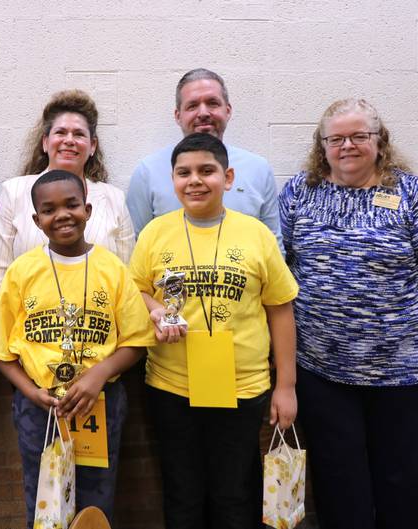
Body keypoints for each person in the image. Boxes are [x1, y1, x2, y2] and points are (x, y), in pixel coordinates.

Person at [278, 98, 418, 529]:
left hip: (410, 376)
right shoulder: (299, 193)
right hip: (324, 373)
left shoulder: (416, 196)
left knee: (409, 489)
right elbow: (278, 271)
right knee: (339, 491)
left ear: (380, 141)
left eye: (359, 136)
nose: (347, 145)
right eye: (336, 138)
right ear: (322, 145)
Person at [129, 133, 299, 529]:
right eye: (183, 172)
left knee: (235, 492)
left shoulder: (255, 234)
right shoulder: (155, 232)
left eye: (207, 171)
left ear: (229, 176)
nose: (195, 181)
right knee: (182, 491)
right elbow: (133, 289)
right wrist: (155, 310)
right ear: (172, 179)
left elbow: (281, 309)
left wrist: (286, 386)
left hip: (241, 386)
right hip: (172, 386)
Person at [0, 170, 154, 528]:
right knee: (45, 501)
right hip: (39, 406)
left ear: (87, 210)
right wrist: (31, 392)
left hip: (99, 402)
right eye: (49, 209)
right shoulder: (22, 271)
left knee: (97, 501)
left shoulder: (113, 270)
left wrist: (98, 375)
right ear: (36, 220)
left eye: (71, 204)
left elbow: (137, 340)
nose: (62, 214)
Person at [0, 89, 135, 300]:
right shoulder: (14, 192)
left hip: (99, 327)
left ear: (92, 146)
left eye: (79, 134)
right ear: (45, 142)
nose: (69, 140)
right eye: (61, 132)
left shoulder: (114, 199)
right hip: (30, 328)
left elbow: (127, 274)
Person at [126, 68, 281, 247]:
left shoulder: (258, 169)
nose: (203, 113)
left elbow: (273, 247)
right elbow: (136, 247)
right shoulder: (148, 172)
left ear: (228, 111)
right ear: (178, 116)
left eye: (212, 103)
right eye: (192, 106)